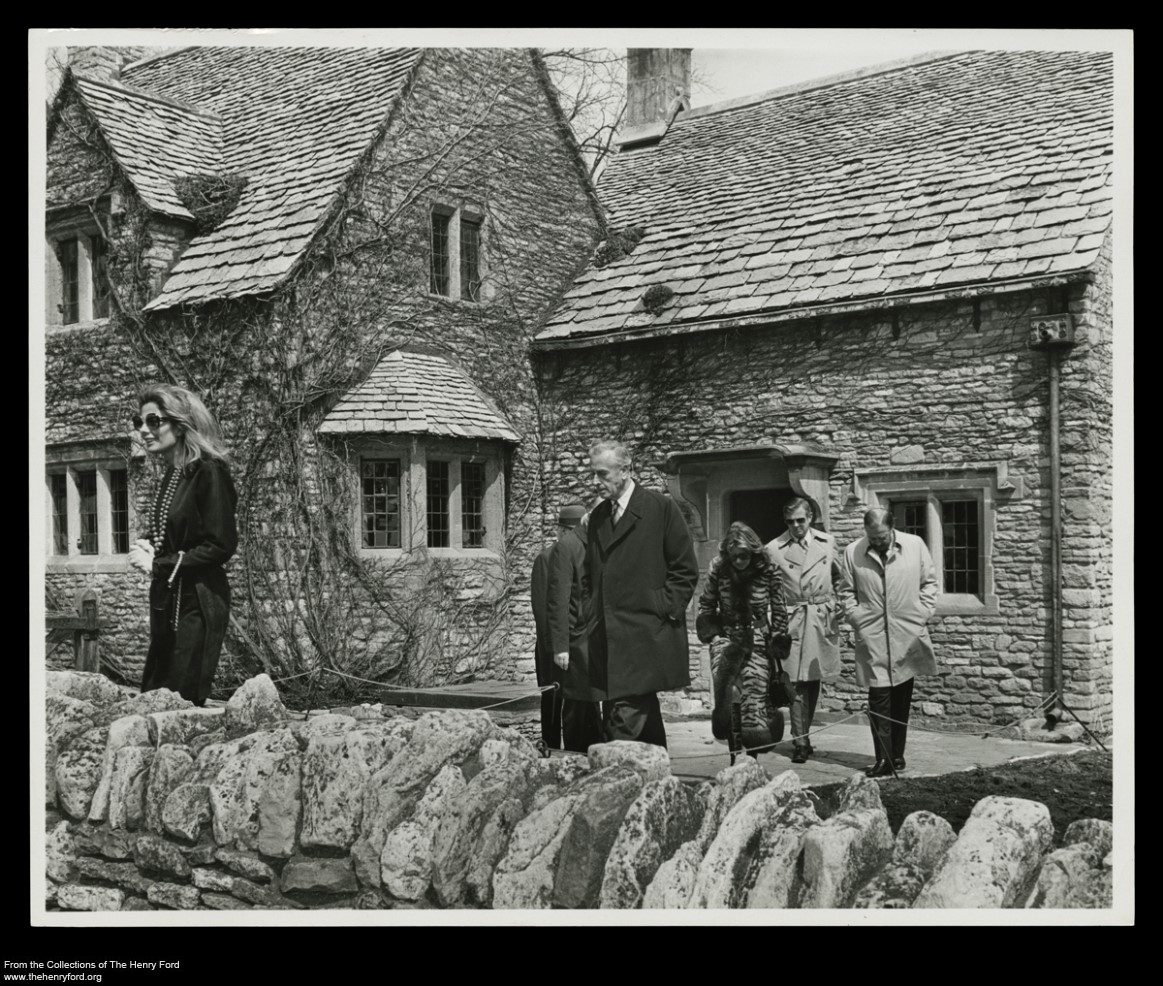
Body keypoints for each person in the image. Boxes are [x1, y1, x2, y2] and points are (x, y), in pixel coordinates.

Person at [581, 440, 699, 749]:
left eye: (602, 474)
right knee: (642, 724)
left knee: (620, 726)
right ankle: (657, 774)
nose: (595, 482)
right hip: (609, 638)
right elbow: (590, 575)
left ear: (625, 470)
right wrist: (591, 614)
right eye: (593, 474)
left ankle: (617, 775)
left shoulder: (660, 508)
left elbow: (685, 570)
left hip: (648, 635)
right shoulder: (598, 517)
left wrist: (662, 609)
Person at [127, 384, 238, 707]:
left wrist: (158, 564)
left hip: (197, 600)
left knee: (179, 700)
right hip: (169, 596)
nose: (144, 430)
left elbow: (220, 544)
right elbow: (174, 527)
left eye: (153, 421)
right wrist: (149, 542)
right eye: (139, 422)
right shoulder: (176, 472)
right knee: (154, 695)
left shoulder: (209, 471)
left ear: (179, 424)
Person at [837, 507, 938, 778]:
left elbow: (929, 583)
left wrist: (923, 613)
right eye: (872, 537)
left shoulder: (915, 545)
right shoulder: (853, 552)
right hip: (873, 637)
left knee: (902, 697)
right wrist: (856, 617)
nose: (877, 542)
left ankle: (897, 754)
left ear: (892, 529)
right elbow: (846, 591)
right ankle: (883, 758)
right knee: (879, 698)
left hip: (907, 633)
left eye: (881, 537)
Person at [696, 522, 790, 763]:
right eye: (734, 556)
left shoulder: (768, 569)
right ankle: (734, 755)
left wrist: (777, 640)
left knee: (753, 698)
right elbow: (706, 603)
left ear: (753, 551)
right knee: (729, 694)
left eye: (743, 556)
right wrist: (713, 635)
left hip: (757, 639)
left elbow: (780, 609)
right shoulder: (719, 567)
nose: (738, 561)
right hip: (727, 638)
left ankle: (752, 759)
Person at [766, 497, 843, 764]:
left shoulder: (827, 543)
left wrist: (838, 604)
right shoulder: (774, 549)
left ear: (810, 518)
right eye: (790, 522)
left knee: (812, 679)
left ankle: (804, 734)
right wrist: (773, 620)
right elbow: (767, 588)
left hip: (821, 617)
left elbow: (839, 578)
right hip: (793, 619)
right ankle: (800, 741)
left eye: (800, 520)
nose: (796, 526)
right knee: (795, 681)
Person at [548, 504, 606, 753]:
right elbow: (558, 600)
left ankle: (594, 752)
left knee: (592, 704)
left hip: (597, 637)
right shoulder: (567, 546)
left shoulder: (598, 544)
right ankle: (575, 756)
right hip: (576, 640)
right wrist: (561, 646)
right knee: (576, 706)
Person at [531, 525, 565, 751]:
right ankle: (550, 747)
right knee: (552, 699)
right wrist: (553, 646)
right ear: (561, 531)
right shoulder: (546, 559)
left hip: (577, 644)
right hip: (552, 645)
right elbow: (542, 608)